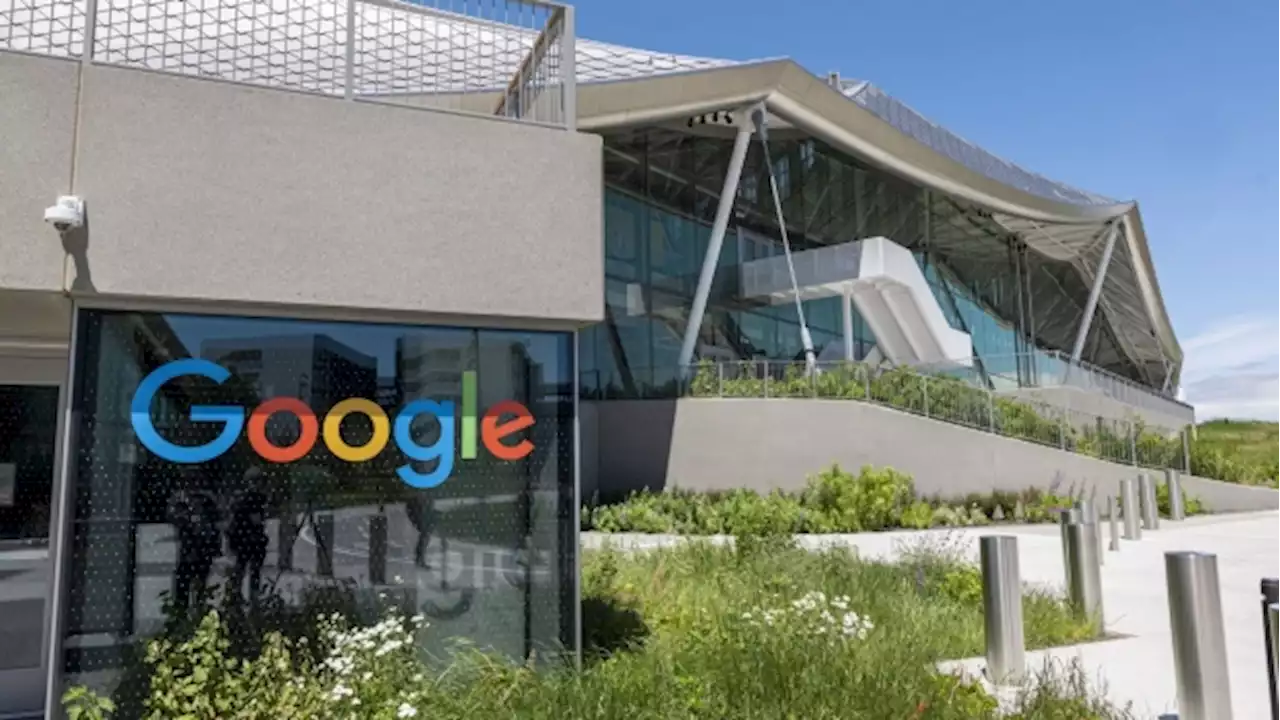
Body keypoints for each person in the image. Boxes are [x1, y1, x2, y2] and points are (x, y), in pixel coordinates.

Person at [228, 467, 269, 607]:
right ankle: (250, 596)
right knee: (251, 569)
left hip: (243, 538)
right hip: (249, 538)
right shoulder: (254, 498)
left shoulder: (241, 497)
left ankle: (237, 594)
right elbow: (256, 519)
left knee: (242, 567)